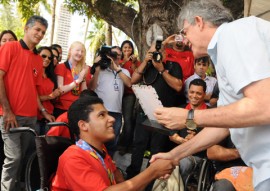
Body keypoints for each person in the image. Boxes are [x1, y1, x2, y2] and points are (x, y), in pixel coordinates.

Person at [150, 1, 270, 190]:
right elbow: (222, 125)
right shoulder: (226, 49)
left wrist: (189, 116)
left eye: (184, 31)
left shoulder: (232, 34)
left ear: (199, 21)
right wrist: (175, 155)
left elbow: (264, 106)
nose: (184, 40)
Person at [51, 96, 175, 191]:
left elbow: (120, 182)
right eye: (101, 115)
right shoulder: (72, 158)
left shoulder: (100, 150)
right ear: (83, 125)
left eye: (108, 114)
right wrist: (152, 171)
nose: (112, 119)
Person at [0, 15, 55, 191]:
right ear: (26, 28)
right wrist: (7, 111)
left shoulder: (38, 59)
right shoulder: (10, 47)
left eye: (43, 32)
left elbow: (34, 91)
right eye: (37, 29)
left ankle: (14, 187)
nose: (40, 34)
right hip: (11, 116)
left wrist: (43, 111)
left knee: (22, 158)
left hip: (31, 117)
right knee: (14, 158)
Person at [126, 41, 183, 184]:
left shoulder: (173, 66)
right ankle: (132, 178)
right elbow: (133, 81)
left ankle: (150, 181)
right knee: (138, 144)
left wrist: (161, 69)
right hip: (144, 112)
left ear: (164, 53)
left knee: (156, 149)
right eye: (151, 53)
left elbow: (178, 86)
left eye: (157, 53)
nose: (155, 55)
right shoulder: (147, 66)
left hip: (163, 115)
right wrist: (145, 61)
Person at [89, 46, 131, 157]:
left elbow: (129, 83)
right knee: (96, 141)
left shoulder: (124, 71)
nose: (115, 58)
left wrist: (117, 68)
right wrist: (97, 69)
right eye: (113, 55)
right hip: (100, 112)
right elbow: (91, 88)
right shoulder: (101, 70)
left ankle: (108, 168)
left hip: (116, 113)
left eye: (118, 56)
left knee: (112, 143)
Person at [169, 79, 207, 185]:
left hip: (199, 157)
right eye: (192, 92)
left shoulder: (210, 113)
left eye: (198, 93)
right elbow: (172, 135)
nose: (194, 96)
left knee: (183, 163)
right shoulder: (180, 110)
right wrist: (183, 141)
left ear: (204, 94)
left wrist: (195, 141)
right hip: (179, 153)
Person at [0, 29, 18, 186]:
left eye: (11, 40)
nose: (7, 43)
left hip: (8, 114)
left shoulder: (17, 64)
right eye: (4, 40)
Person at [53, 41, 88, 118]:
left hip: (76, 108)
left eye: (82, 51)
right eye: (77, 50)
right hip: (61, 108)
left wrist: (83, 78)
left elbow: (84, 92)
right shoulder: (61, 67)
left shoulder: (82, 69)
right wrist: (78, 80)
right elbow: (60, 90)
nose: (80, 53)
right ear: (70, 50)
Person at [118, 40, 140, 155]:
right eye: (125, 48)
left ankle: (125, 145)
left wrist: (134, 63)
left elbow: (138, 75)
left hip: (129, 94)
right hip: (117, 93)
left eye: (129, 48)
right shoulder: (118, 61)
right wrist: (124, 61)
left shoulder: (137, 62)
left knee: (128, 120)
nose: (127, 50)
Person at [36, 46, 61, 135]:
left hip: (48, 117)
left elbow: (53, 98)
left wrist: (56, 96)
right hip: (35, 117)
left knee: (45, 147)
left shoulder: (51, 76)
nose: (47, 59)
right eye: (44, 56)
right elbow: (32, 96)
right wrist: (50, 96)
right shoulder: (32, 73)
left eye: (49, 58)